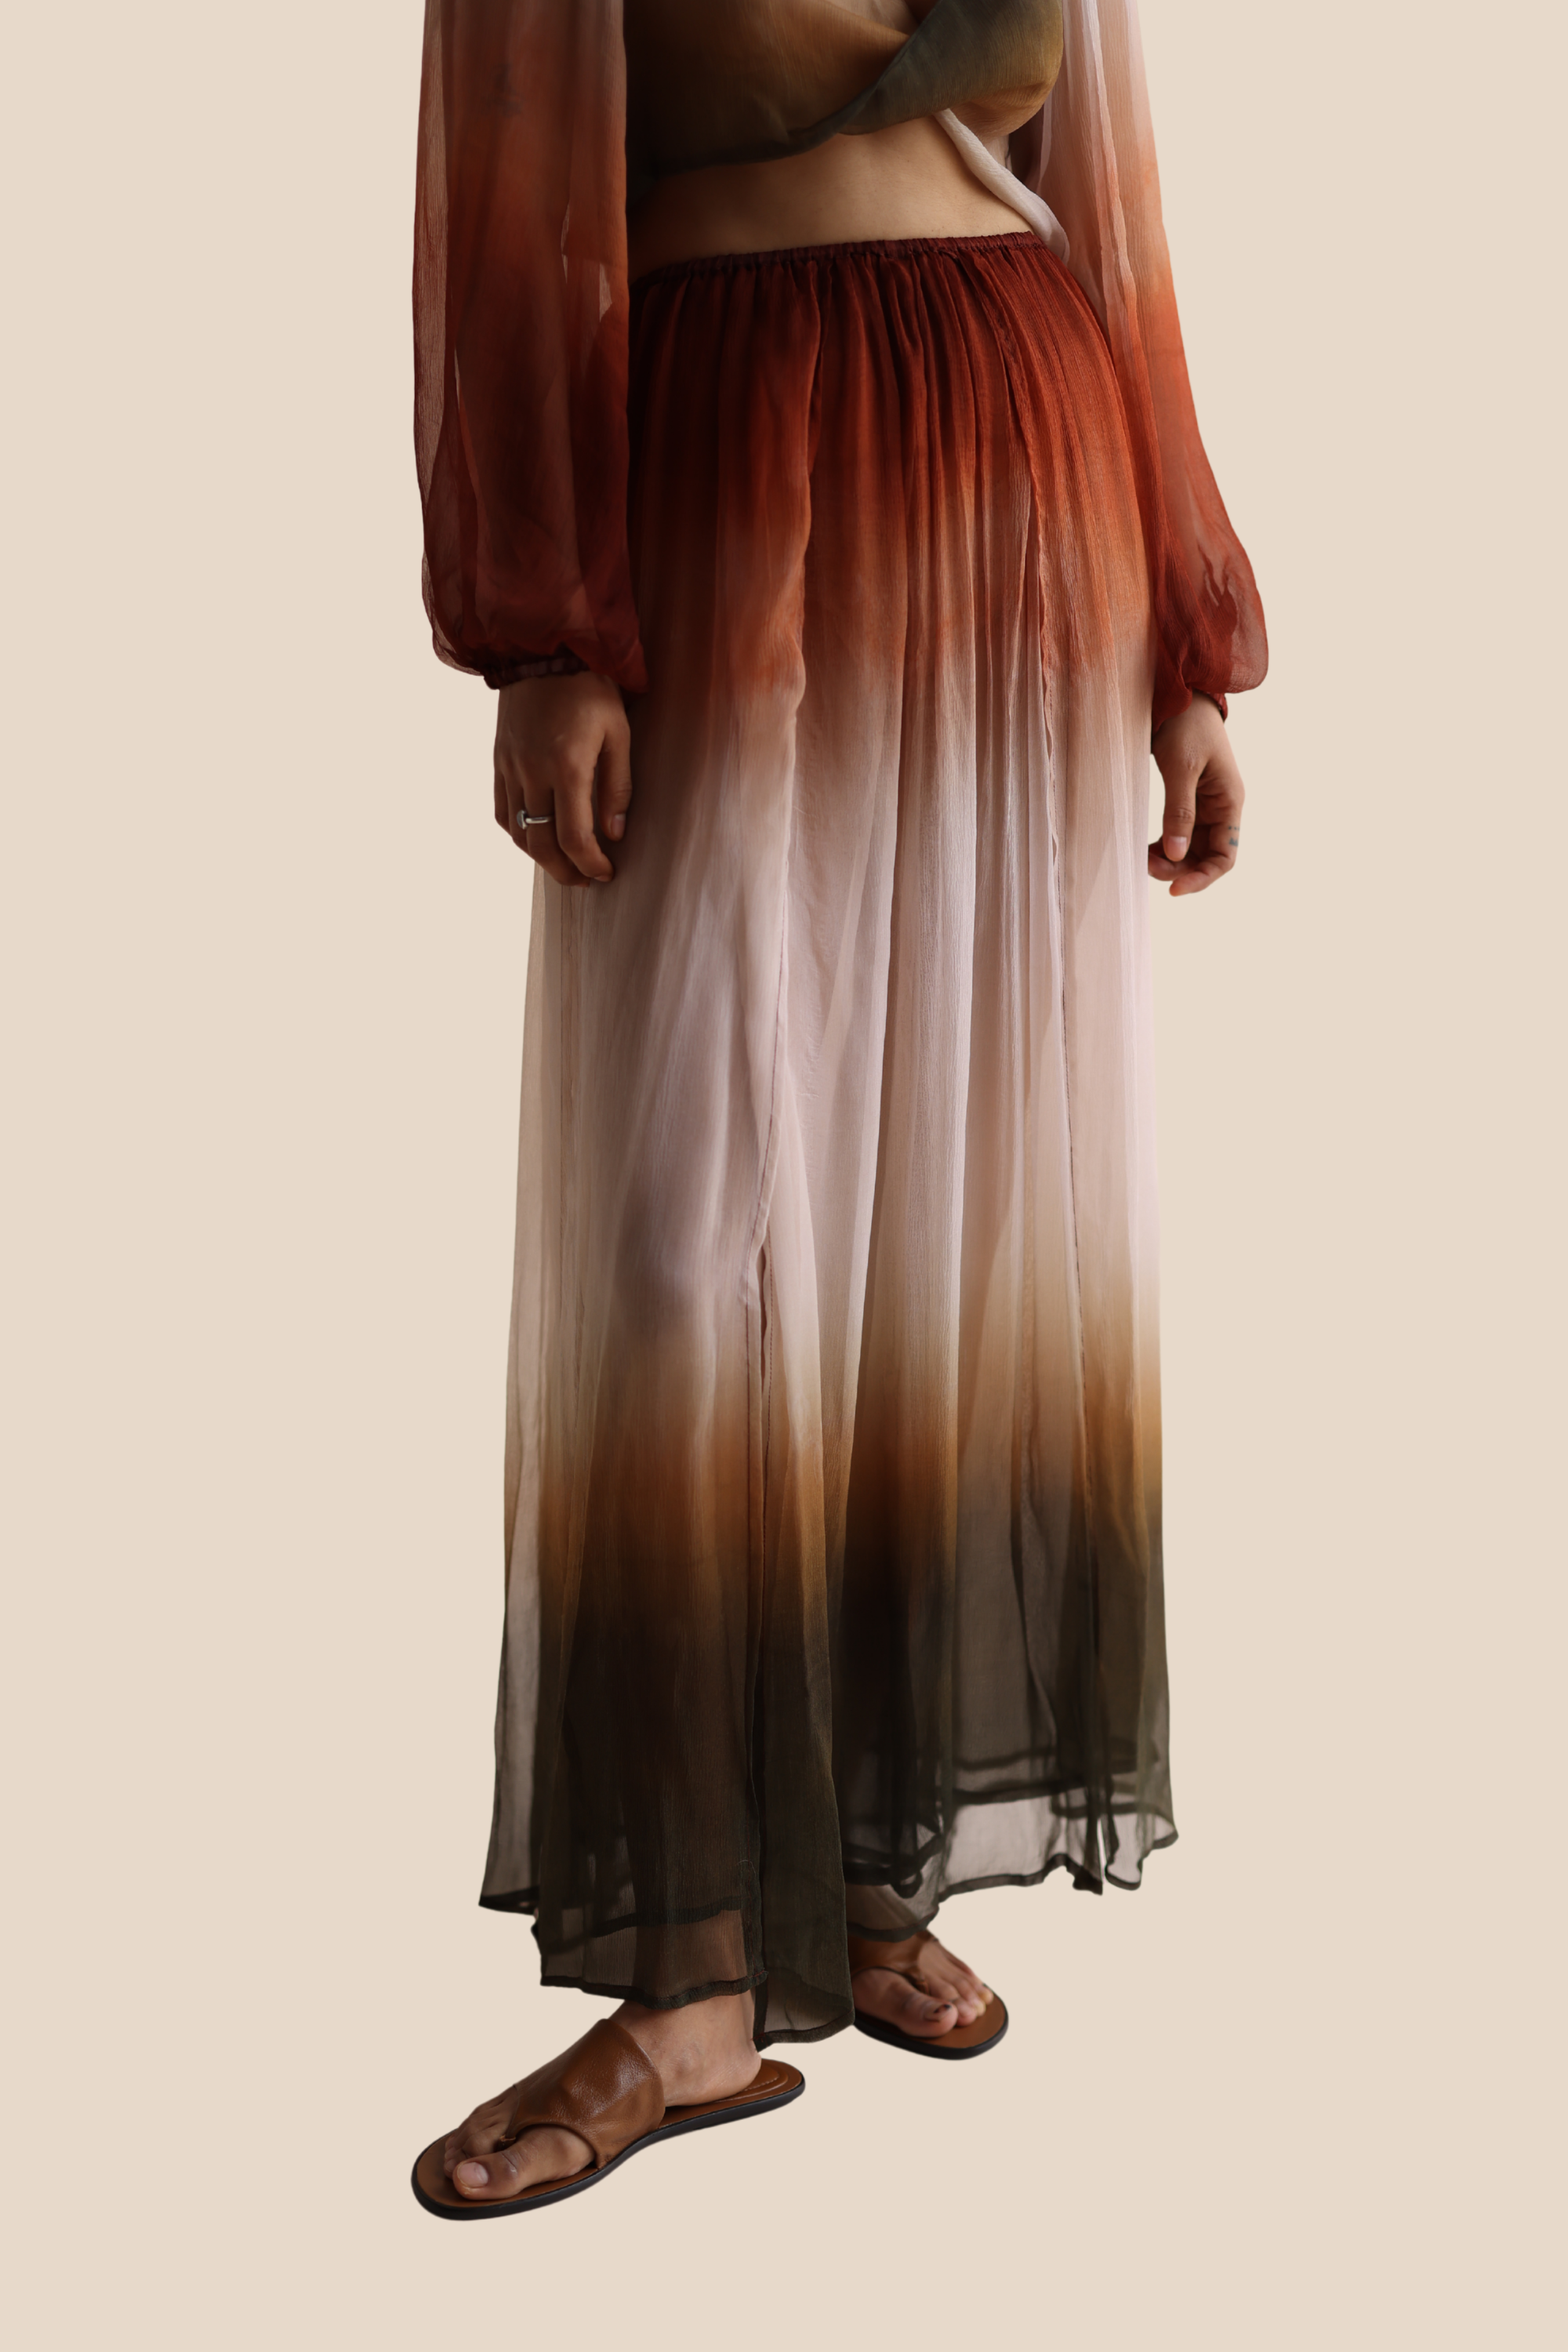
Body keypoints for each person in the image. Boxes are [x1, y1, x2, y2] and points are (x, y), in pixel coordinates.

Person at [410, 0, 1265, 2218]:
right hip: (728, 455)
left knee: (950, 1197)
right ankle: (697, 1975)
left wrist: (1188, 639)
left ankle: (871, 1851)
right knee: (687, 1231)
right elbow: (506, 196)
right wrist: (544, 631)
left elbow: (1106, 193)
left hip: (1018, 465)